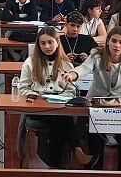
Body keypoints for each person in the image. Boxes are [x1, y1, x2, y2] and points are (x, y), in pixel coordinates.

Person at [62, 27, 121, 170]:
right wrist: (72, 74)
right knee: (95, 138)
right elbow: (84, 68)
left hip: (120, 105)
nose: (117, 45)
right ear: (108, 42)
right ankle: (95, 171)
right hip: (96, 104)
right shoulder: (97, 55)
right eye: (114, 41)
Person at [17, 27, 91, 168]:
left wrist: (60, 98)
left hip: (59, 105)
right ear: (38, 45)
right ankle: (75, 151)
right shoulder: (30, 62)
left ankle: (55, 164)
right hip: (37, 107)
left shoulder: (65, 64)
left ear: (57, 42)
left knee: (60, 117)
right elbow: (23, 88)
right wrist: (38, 97)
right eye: (43, 43)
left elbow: (71, 91)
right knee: (63, 118)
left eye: (50, 42)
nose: (47, 47)